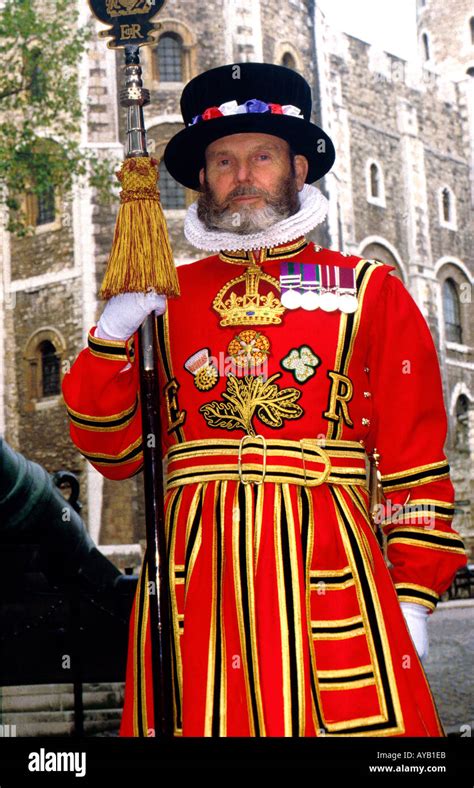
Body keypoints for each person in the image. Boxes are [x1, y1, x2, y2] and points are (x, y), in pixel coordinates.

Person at [62, 62, 467, 737]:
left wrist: (417, 590)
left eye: (262, 157)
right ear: (202, 178)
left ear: (299, 171)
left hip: (328, 564)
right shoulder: (160, 299)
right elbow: (116, 453)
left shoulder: (369, 288)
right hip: (197, 575)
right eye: (223, 160)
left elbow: (413, 456)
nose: (242, 174)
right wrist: (109, 336)